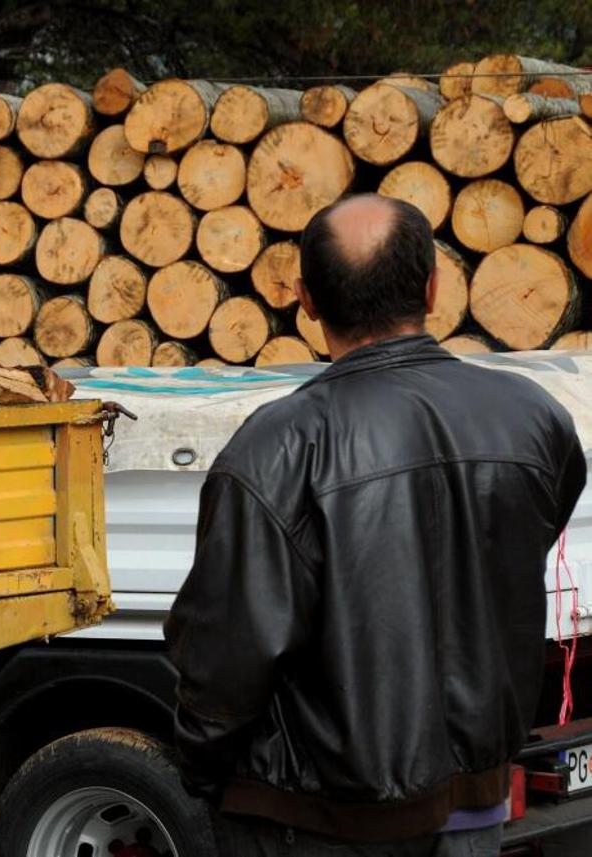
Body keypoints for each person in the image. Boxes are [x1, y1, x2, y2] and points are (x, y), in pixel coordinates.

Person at [163, 194, 586, 856]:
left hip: (319, 819)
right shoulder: (531, 417)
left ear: (304, 298)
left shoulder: (276, 446)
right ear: (432, 286)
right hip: (473, 806)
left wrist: (199, 769)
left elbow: (226, 657)